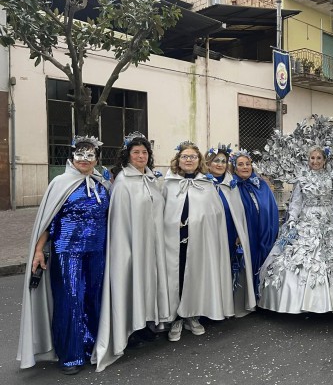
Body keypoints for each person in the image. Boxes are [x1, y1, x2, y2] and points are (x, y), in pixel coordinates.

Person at [17, 136, 110, 375]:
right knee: (71, 299)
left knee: (94, 297)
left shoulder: (101, 184)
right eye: (80, 154)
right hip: (67, 251)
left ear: (96, 159)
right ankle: (70, 354)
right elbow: (47, 220)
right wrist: (39, 250)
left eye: (90, 155)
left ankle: (90, 346)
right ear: (72, 157)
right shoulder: (60, 183)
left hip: (97, 251)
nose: (85, 159)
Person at [260, 146, 333, 313]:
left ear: (324, 160)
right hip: (306, 221)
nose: (315, 161)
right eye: (312, 158)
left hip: (329, 221)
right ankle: (295, 302)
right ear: (308, 160)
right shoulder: (302, 178)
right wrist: (292, 219)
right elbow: (296, 202)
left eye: (318, 158)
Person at [93, 132, 170, 372]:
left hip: (152, 246)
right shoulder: (123, 182)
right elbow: (119, 221)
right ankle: (132, 328)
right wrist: (125, 248)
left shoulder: (151, 180)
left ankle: (147, 322)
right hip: (131, 245)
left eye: (144, 152)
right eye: (136, 152)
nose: (141, 156)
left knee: (149, 284)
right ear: (127, 155)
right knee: (133, 283)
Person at [163, 141, 232, 342]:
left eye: (193, 157)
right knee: (176, 279)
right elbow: (160, 212)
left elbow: (214, 216)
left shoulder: (207, 185)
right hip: (173, 242)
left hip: (199, 242)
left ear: (199, 160)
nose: (189, 160)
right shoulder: (168, 183)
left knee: (195, 276)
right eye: (185, 156)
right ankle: (175, 318)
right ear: (178, 159)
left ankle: (192, 315)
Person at [206, 144, 256, 317]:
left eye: (223, 161)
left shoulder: (230, 184)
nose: (219, 164)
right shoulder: (203, 184)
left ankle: (227, 306)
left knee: (229, 270)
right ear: (208, 163)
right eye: (216, 161)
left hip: (230, 234)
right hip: (210, 235)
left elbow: (238, 212)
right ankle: (211, 307)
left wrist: (239, 234)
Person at [231, 150, 279, 298]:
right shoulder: (232, 187)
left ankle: (263, 297)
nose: (245, 167)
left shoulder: (261, 185)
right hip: (245, 234)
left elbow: (271, 208)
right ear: (234, 167)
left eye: (248, 164)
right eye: (240, 164)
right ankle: (248, 298)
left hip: (264, 233)